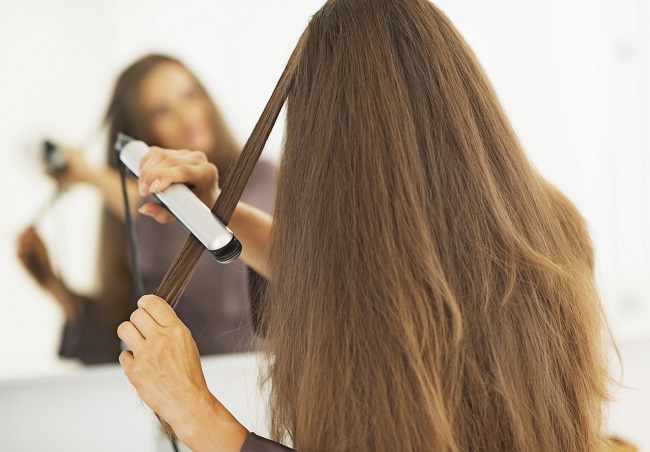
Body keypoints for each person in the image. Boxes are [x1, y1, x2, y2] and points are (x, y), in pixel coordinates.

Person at [116, 1, 611, 451]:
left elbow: (370, 293)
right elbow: (357, 282)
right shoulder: (551, 228)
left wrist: (197, 415)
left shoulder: (404, 315)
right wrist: (222, 209)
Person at [17, 54, 275, 364]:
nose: (186, 115)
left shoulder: (263, 178)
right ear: (142, 133)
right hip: (188, 395)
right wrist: (53, 286)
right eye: (161, 110)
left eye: (190, 95)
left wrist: (88, 175)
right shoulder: (141, 227)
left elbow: (207, 235)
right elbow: (121, 341)